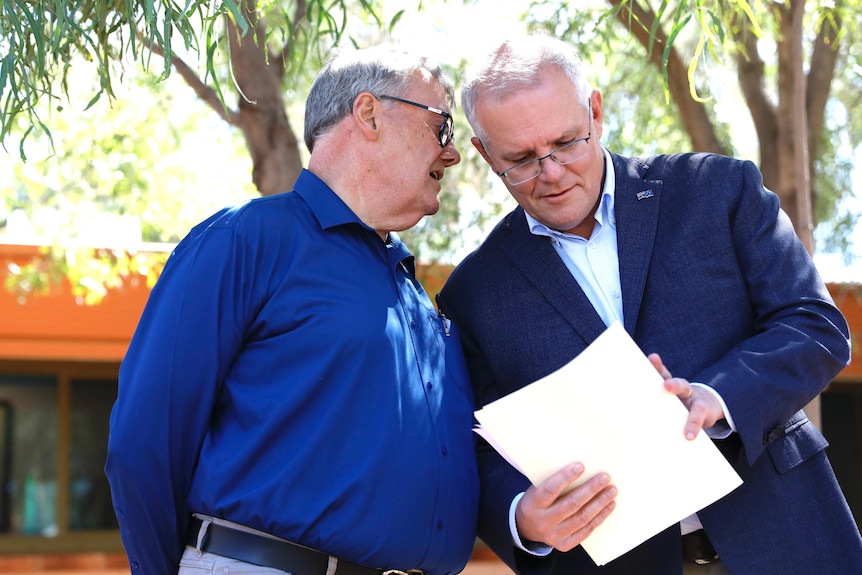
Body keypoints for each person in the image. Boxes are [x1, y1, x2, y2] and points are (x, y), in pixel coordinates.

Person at [436, 33, 862, 575]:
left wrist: (717, 397)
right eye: (519, 159)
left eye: (566, 142)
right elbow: (477, 450)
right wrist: (522, 518)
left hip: (790, 538)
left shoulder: (717, 190)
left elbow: (813, 324)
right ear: (483, 151)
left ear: (595, 110)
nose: (551, 172)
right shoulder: (472, 294)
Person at [105, 46, 479, 575]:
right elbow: (144, 443)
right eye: (442, 127)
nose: (452, 154)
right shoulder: (245, 239)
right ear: (369, 114)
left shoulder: (413, 292)